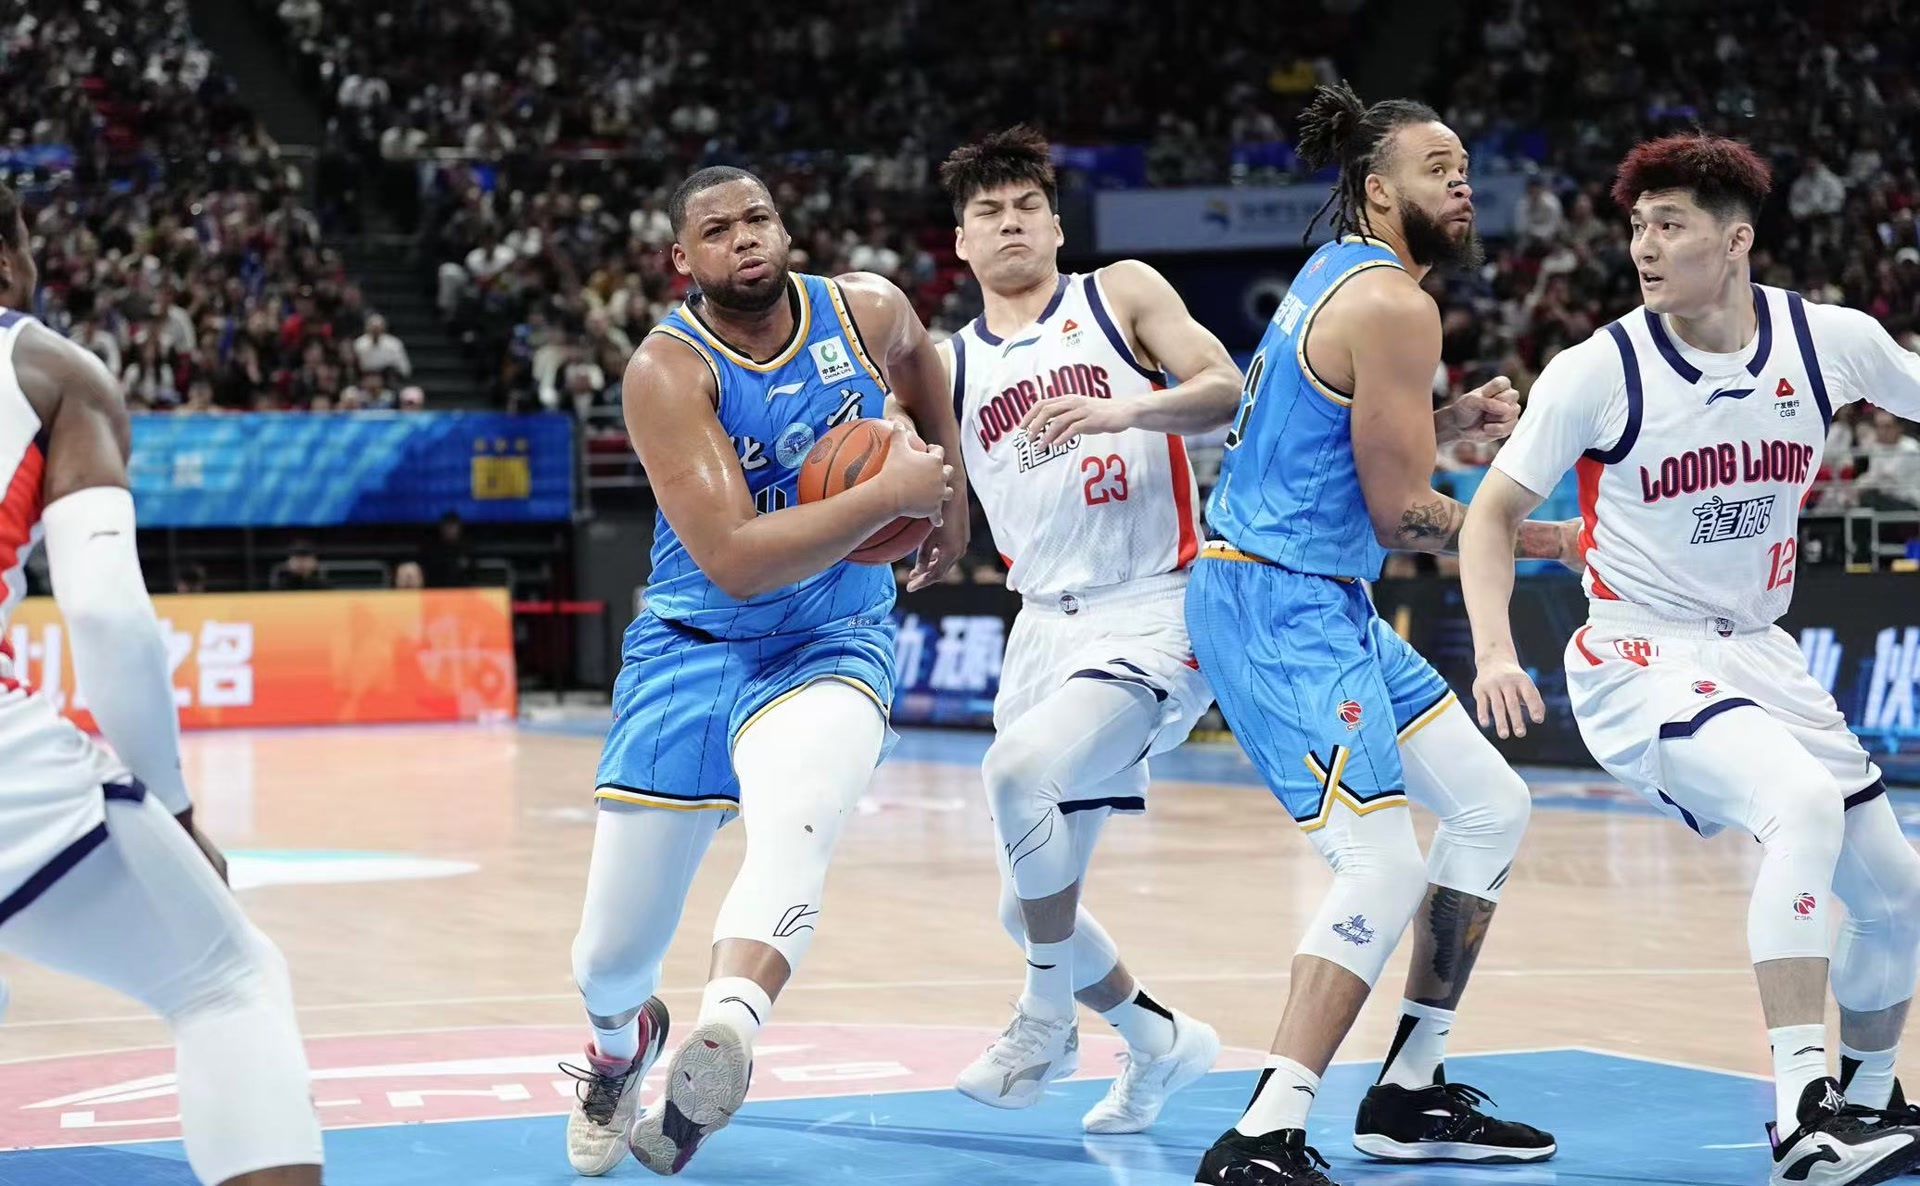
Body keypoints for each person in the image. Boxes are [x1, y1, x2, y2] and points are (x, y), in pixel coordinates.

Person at [1462, 133, 1920, 1186]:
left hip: (1759, 650)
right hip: (1638, 653)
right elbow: (1491, 515)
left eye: (1669, 225)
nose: (1644, 247)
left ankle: (1869, 1098)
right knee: (1799, 805)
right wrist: (1493, 651)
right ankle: (1804, 1120)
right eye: (1637, 227)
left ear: (1737, 240)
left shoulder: (1827, 340)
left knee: (1897, 893)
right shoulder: (1600, 369)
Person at [1184, 83, 1577, 1185]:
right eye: (1437, 169)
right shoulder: (1395, 304)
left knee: (1491, 806)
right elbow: (1402, 516)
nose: (1462, 185)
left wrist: (1437, 424)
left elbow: (1326, 444)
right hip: (1276, 603)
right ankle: (1262, 1132)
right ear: (1374, 188)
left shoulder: (1336, 272)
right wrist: (1545, 537)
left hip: (1314, 594)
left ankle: (1406, 1088)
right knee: (1379, 866)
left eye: (1466, 168)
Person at [561, 166, 967, 1177]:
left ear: (784, 230)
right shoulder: (667, 371)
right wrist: (890, 496)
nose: (743, 237)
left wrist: (951, 493)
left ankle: (727, 1031)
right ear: (682, 259)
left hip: (832, 635)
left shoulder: (865, 308)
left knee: (797, 824)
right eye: (717, 229)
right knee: (607, 959)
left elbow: (920, 362)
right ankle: (621, 1046)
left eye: (758, 218)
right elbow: (736, 560)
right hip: (694, 648)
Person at [0, 182, 323, 1185]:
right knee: (229, 981)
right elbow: (105, 614)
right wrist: (174, 810)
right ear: (9, 259)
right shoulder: (49, 369)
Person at [936, 126, 1236, 1131]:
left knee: (1016, 774)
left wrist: (1127, 412)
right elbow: (928, 485)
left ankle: (1045, 1021)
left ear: (1058, 226)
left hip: (1152, 605)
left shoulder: (1120, 294)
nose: (1011, 223)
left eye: (1028, 206)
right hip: (1040, 630)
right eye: (989, 212)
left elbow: (1224, 388)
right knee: (1028, 903)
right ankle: (1159, 1040)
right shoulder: (947, 366)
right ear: (961, 242)